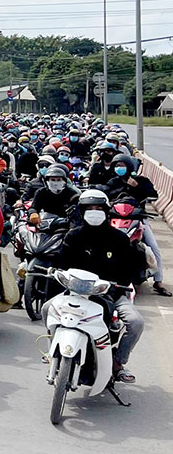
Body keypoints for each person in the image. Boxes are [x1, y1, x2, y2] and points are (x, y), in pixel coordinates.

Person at [57, 189, 145, 383]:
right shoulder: (73, 237)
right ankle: (56, 350)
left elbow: (130, 270)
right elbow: (62, 266)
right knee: (48, 309)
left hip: (111, 294)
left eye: (98, 208)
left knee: (136, 322)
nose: (94, 212)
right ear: (82, 211)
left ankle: (118, 362)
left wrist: (116, 285)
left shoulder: (120, 239)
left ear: (106, 211)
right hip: (76, 294)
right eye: (89, 208)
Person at [104, 154, 171, 296]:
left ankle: (158, 282)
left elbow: (153, 195)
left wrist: (136, 187)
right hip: (115, 219)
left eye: (122, 165)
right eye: (116, 165)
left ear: (129, 166)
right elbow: (106, 195)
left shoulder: (141, 180)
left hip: (137, 219)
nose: (119, 168)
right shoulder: (112, 182)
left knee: (154, 248)